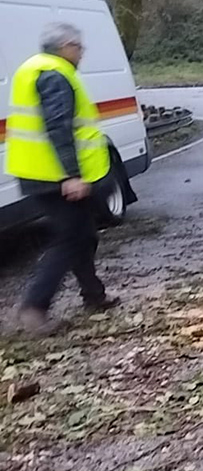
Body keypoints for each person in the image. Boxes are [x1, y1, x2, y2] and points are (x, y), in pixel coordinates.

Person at [6, 22, 119, 333]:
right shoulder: (54, 74)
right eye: (79, 47)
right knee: (70, 238)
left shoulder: (36, 68)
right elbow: (59, 126)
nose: (81, 54)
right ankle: (34, 307)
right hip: (54, 176)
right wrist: (72, 175)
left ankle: (94, 295)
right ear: (66, 46)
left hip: (41, 171)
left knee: (83, 235)